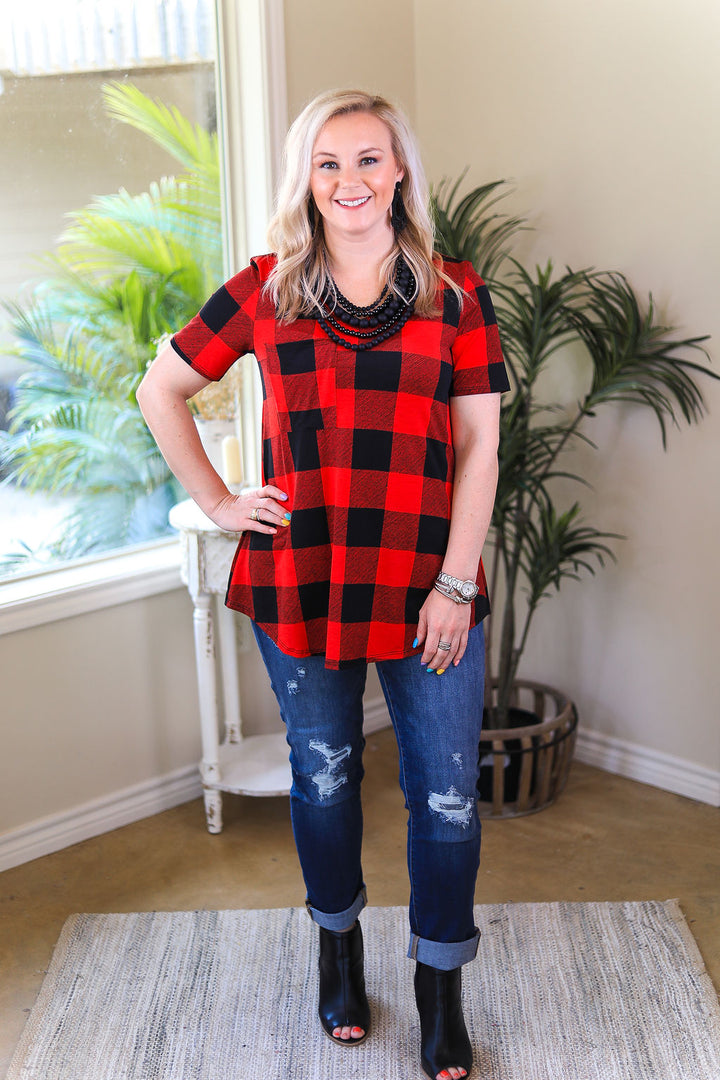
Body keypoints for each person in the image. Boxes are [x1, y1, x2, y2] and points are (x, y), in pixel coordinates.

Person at [137, 87, 509, 1080]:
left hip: (430, 587)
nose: (350, 181)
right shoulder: (264, 288)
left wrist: (456, 586)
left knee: (444, 798)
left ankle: (440, 984)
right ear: (306, 179)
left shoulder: (458, 294)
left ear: (400, 173)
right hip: (302, 582)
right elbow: (159, 387)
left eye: (369, 159)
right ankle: (337, 951)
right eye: (328, 163)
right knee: (328, 776)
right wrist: (220, 502)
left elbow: (479, 451)